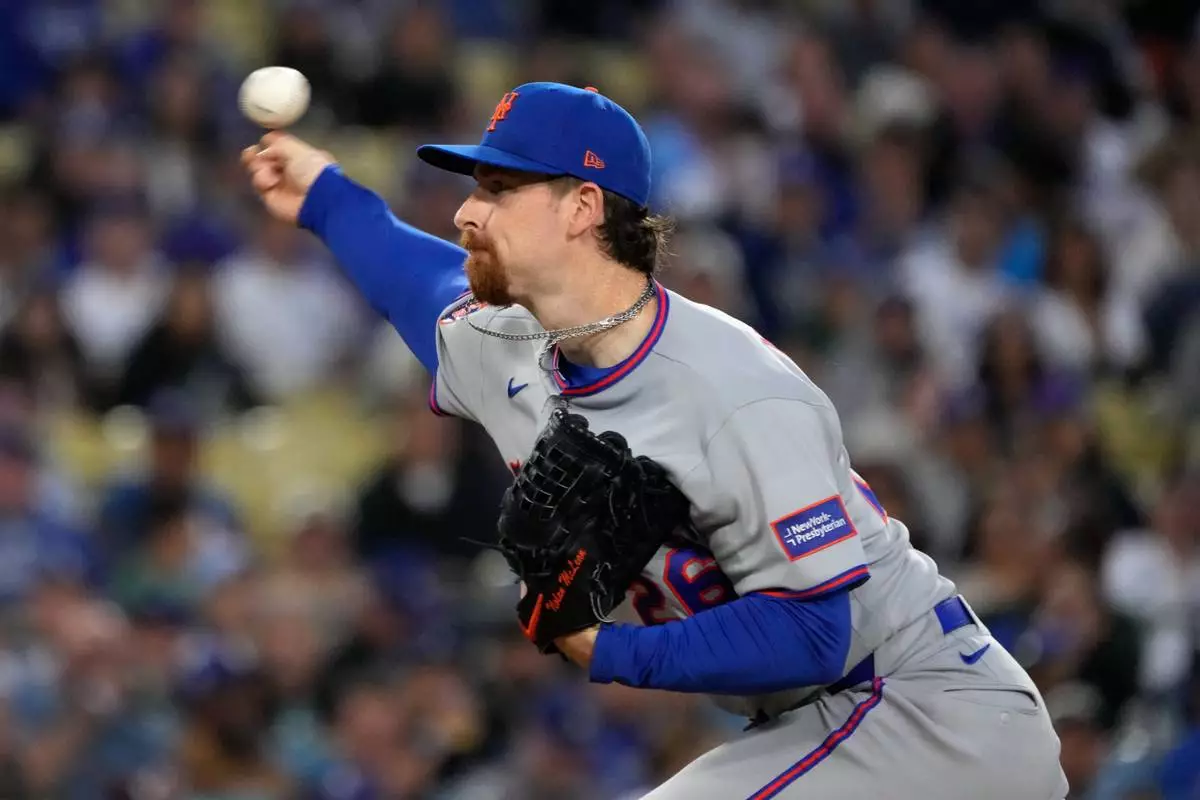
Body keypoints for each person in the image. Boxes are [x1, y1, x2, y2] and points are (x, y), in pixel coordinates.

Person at [242, 81, 1067, 798]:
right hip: (815, 725)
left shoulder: (736, 389)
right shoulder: (509, 345)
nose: (465, 211)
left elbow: (818, 633)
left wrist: (606, 650)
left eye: (499, 188)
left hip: (925, 709)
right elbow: (415, 282)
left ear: (583, 208)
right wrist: (324, 196)